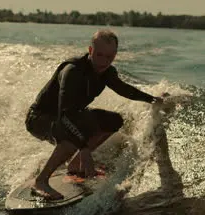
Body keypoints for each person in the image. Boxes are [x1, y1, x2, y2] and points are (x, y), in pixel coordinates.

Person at [25, 29, 164, 200]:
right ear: (90, 51)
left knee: (113, 121)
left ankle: (75, 166)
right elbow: (65, 116)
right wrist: (84, 149)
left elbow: (124, 89)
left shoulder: (106, 71)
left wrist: (153, 99)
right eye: (99, 55)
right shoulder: (72, 71)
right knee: (70, 137)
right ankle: (41, 181)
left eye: (109, 57)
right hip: (40, 118)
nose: (104, 62)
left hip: (71, 115)